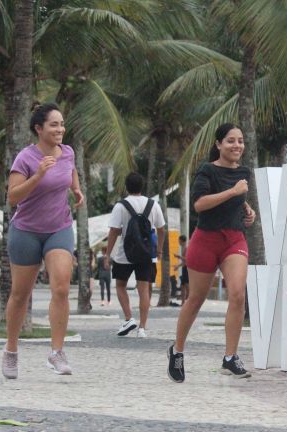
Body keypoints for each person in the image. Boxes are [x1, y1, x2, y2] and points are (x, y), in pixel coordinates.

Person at [167, 123, 256, 383]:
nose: (237, 145)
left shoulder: (243, 172)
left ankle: (230, 356)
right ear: (218, 144)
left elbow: (236, 199)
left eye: (240, 141)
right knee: (195, 299)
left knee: (238, 293)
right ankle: (177, 350)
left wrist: (247, 209)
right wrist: (234, 192)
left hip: (234, 239)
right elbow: (200, 204)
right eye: (230, 141)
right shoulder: (207, 171)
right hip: (205, 240)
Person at [2, 102, 84, 379]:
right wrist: (38, 175)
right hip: (26, 230)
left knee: (61, 287)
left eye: (61, 124)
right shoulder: (25, 158)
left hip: (58, 228)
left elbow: (70, 169)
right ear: (39, 128)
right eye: (54, 125)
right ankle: (11, 350)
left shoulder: (68, 152)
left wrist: (76, 188)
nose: (60, 129)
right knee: (20, 294)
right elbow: (13, 197)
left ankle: (56, 352)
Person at [105, 172, 165, 338]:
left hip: (125, 253)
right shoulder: (153, 205)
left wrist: (107, 254)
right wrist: (159, 250)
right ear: (142, 186)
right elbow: (161, 229)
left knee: (120, 286)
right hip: (147, 254)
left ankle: (129, 318)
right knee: (143, 290)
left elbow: (114, 231)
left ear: (126, 186)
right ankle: (142, 328)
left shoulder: (120, 206)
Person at [174, 235, 189, 305]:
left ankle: (189, 301)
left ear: (182, 241)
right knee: (183, 286)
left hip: (187, 269)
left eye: (179, 240)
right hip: (184, 268)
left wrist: (178, 256)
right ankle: (183, 302)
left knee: (186, 285)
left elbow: (187, 260)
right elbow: (184, 261)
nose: (178, 242)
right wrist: (178, 266)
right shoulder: (183, 248)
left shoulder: (186, 248)